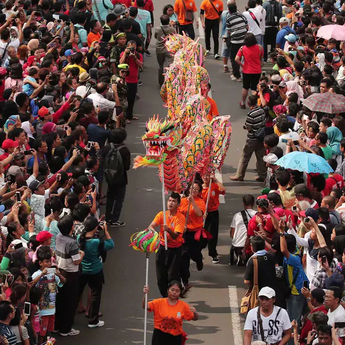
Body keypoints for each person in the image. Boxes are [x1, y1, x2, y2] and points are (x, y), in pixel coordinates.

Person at [78, 216, 114, 328]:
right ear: (95, 228)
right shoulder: (97, 242)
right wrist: (106, 231)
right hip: (95, 271)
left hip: (82, 270)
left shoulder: (80, 238)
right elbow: (111, 245)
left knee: (77, 292)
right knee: (95, 295)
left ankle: (68, 319)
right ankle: (93, 321)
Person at [148, 192, 185, 297]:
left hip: (175, 250)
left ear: (178, 204)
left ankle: (175, 292)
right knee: (160, 277)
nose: (170, 203)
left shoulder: (180, 218)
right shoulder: (161, 214)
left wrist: (168, 229)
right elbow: (151, 226)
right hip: (162, 248)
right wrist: (154, 233)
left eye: (174, 201)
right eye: (169, 200)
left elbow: (175, 236)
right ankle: (165, 297)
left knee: (171, 276)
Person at [55, 215, 84, 337]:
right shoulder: (72, 242)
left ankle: (57, 326)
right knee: (70, 302)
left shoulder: (58, 237)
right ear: (71, 227)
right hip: (71, 274)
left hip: (60, 270)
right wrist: (82, 253)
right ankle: (66, 329)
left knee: (60, 300)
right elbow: (76, 261)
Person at [230, 95, 266, 182]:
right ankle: (262, 175)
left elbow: (248, 126)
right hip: (261, 137)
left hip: (252, 138)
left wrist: (246, 127)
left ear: (248, 103)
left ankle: (239, 175)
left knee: (245, 157)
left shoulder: (251, 114)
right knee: (260, 157)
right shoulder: (262, 110)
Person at [99, 128, 130, 227]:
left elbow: (101, 159)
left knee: (110, 197)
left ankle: (108, 218)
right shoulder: (125, 150)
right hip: (121, 178)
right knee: (119, 199)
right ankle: (115, 219)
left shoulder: (107, 147)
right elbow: (127, 167)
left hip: (109, 177)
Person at [179, 180, 206, 286]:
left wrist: (193, 202)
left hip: (195, 233)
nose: (194, 190)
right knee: (184, 256)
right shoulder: (182, 200)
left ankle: (198, 260)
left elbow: (199, 214)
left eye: (196, 189)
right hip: (184, 232)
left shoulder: (200, 202)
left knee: (194, 253)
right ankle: (185, 278)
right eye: (192, 188)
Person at [235, 33, 263, 108]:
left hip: (247, 71)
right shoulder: (259, 48)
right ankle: (254, 104)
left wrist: (242, 65)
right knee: (254, 88)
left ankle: (243, 102)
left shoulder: (243, 48)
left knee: (245, 87)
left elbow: (236, 59)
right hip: (257, 70)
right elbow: (261, 57)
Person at [201, 174, 225, 264]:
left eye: (207, 175)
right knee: (201, 233)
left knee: (212, 234)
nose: (206, 177)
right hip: (202, 214)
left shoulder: (214, 186)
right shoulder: (199, 188)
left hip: (213, 213)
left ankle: (213, 253)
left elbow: (222, 190)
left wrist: (215, 180)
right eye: (204, 176)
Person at [119, 40, 143, 123]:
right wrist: (126, 54)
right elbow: (120, 62)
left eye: (134, 47)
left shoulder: (138, 55)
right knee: (124, 99)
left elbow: (140, 65)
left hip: (134, 79)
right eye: (130, 47)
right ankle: (124, 117)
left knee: (131, 99)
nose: (132, 49)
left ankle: (130, 115)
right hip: (125, 79)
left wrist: (134, 58)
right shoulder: (123, 54)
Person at [230, 194, 256, 265]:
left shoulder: (237, 215)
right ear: (253, 203)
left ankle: (240, 256)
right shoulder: (257, 215)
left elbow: (232, 234)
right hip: (253, 245)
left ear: (243, 203)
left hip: (238, 245)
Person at [225, 3, 248, 81]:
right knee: (244, 57)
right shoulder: (242, 16)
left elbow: (228, 31)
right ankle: (246, 73)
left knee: (234, 58)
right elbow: (247, 26)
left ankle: (237, 75)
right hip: (244, 41)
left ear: (229, 10)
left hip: (235, 41)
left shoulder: (229, 18)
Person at [155, 15, 176, 87]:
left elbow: (156, 36)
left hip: (159, 49)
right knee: (168, 66)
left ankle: (161, 82)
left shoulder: (157, 29)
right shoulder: (172, 29)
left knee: (160, 66)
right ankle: (167, 81)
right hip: (169, 49)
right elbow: (175, 37)